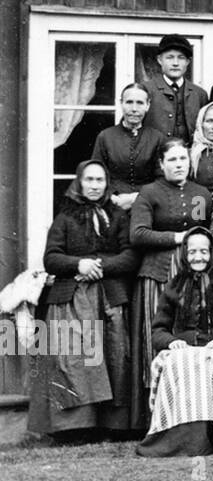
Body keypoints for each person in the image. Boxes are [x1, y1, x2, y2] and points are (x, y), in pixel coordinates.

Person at [28, 160, 137, 437]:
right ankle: (74, 427)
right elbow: (51, 257)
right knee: (75, 359)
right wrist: (79, 265)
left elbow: (130, 256)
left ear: (106, 184)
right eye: (89, 180)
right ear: (79, 182)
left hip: (109, 297)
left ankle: (111, 425)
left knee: (113, 357)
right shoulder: (65, 217)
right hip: (71, 299)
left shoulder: (117, 216)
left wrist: (98, 266)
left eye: (99, 180)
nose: (94, 186)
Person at [129, 139, 212, 430]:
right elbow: (138, 234)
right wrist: (179, 238)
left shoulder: (199, 194)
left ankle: (187, 412)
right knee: (160, 337)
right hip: (158, 274)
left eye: (183, 160)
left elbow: (203, 230)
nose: (179, 165)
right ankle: (152, 417)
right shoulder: (150, 193)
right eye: (173, 160)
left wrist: (194, 240)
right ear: (162, 164)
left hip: (195, 273)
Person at [137, 228, 213, 456]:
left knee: (209, 362)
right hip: (182, 350)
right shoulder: (173, 287)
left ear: (212, 253)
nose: (198, 257)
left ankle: (206, 438)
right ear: (185, 254)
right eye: (192, 252)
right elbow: (158, 330)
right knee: (176, 362)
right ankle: (174, 439)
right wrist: (171, 342)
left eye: (203, 251)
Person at [91, 83, 166, 210]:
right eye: (129, 102)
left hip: (147, 205)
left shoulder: (157, 138)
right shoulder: (105, 137)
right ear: (121, 103)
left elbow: (162, 179)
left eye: (140, 103)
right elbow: (96, 175)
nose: (134, 109)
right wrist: (111, 197)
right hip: (113, 204)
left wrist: (136, 198)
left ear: (147, 105)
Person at [143, 34, 208, 142]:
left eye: (181, 58)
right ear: (160, 60)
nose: (175, 63)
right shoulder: (146, 90)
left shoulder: (199, 94)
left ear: (188, 61)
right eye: (170, 57)